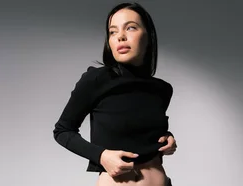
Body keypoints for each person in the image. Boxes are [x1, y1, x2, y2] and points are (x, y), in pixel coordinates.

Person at [52, 2, 178, 186]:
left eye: (131, 28)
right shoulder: (96, 80)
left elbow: (140, 130)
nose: (120, 36)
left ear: (148, 36)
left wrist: (167, 138)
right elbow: (62, 131)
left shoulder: (162, 89)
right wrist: (101, 156)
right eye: (113, 32)